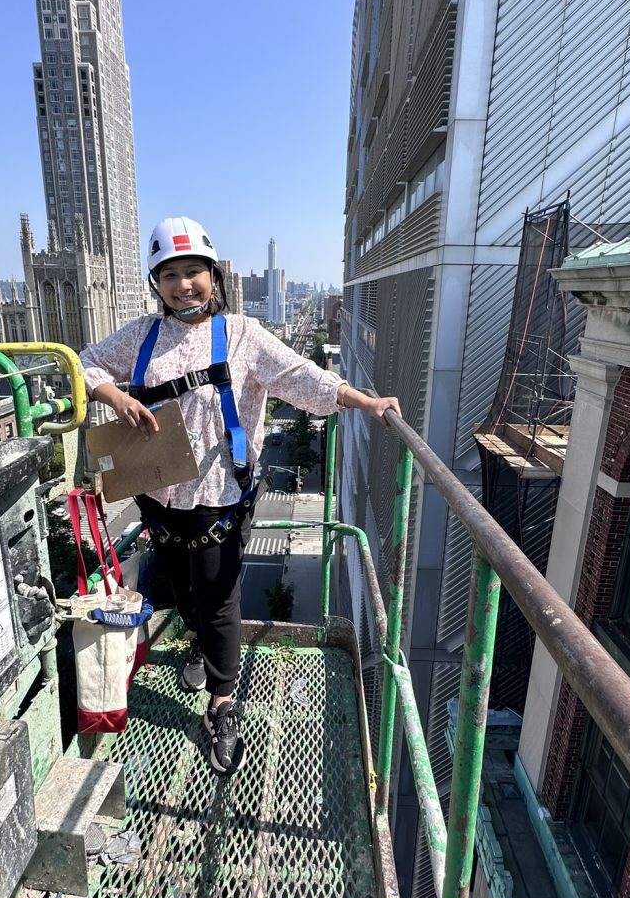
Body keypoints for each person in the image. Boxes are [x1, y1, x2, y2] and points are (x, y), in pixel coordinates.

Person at [80, 216, 399, 775]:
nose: (183, 285)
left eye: (193, 272)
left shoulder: (244, 334)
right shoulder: (141, 337)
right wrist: (116, 397)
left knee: (218, 596)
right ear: (156, 282)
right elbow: (84, 362)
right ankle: (204, 653)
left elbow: (304, 378)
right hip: (159, 493)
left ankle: (222, 704)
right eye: (170, 274)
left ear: (214, 275)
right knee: (181, 585)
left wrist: (363, 401)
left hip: (219, 494)